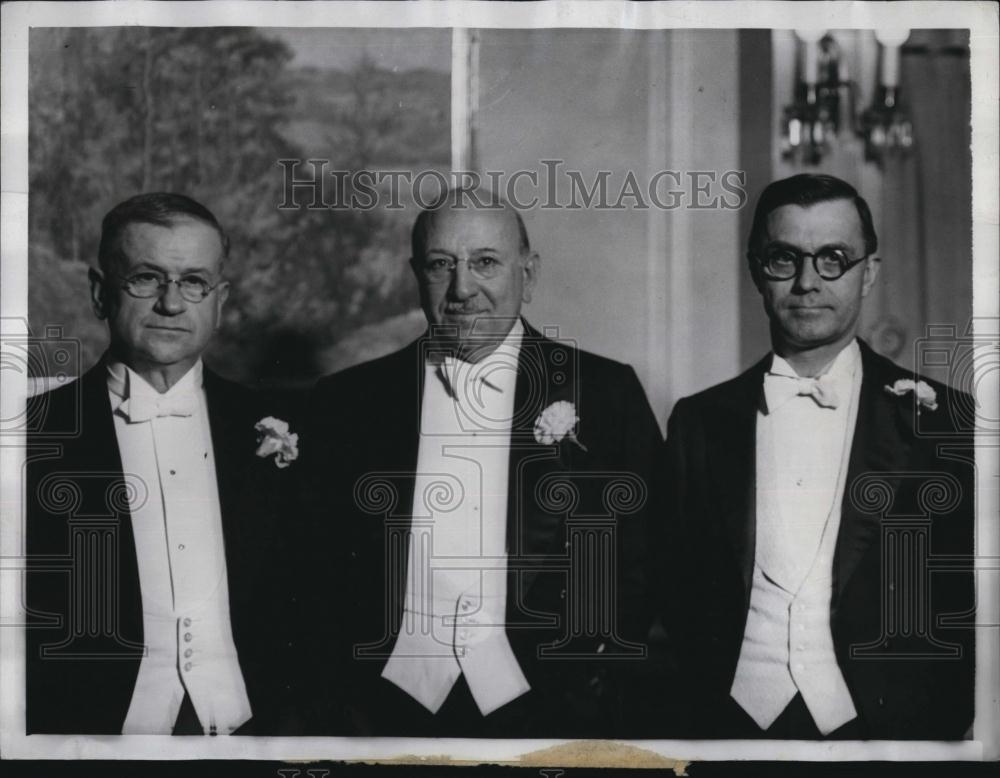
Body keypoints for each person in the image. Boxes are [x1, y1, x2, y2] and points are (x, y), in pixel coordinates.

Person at [301, 190, 663, 737]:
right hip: (382, 713)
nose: (462, 289)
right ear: (416, 275)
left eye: (485, 263)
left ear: (529, 274)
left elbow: (648, 557)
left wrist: (587, 675)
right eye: (441, 265)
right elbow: (316, 571)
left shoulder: (606, 393)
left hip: (551, 711)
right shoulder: (347, 401)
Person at [659, 173, 975, 739]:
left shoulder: (943, 421)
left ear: (868, 273)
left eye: (833, 258)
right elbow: (674, 595)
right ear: (757, 269)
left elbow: (968, 613)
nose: (808, 281)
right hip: (726, 730)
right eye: (785, 258)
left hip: (888, 735)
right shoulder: (698, 423)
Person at [25, 193, 299, 735]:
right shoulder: (31, 436)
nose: (172, 304)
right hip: (88, 738)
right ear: (101, 292)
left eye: (194, 281)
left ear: (219, 301)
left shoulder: (275, 427)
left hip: (251, 732)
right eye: (146, 278)